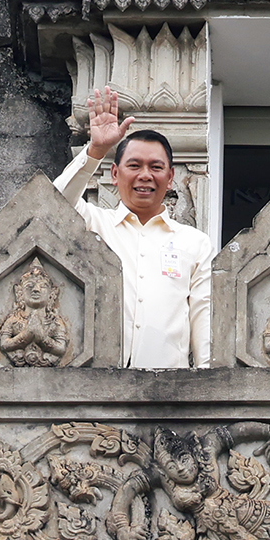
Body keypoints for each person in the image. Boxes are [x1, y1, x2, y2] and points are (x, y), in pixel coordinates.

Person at [53, 85, 213, 369]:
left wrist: (208, 381)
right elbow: (53, 204)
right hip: (96, 381)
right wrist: (96, 150)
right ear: (115, 174)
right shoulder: (94, 223)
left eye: (156, 167)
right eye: (134, 165)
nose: (145, 175)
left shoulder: (195, 243)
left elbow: (204, 318)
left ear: (170, 178)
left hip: (170, 386)